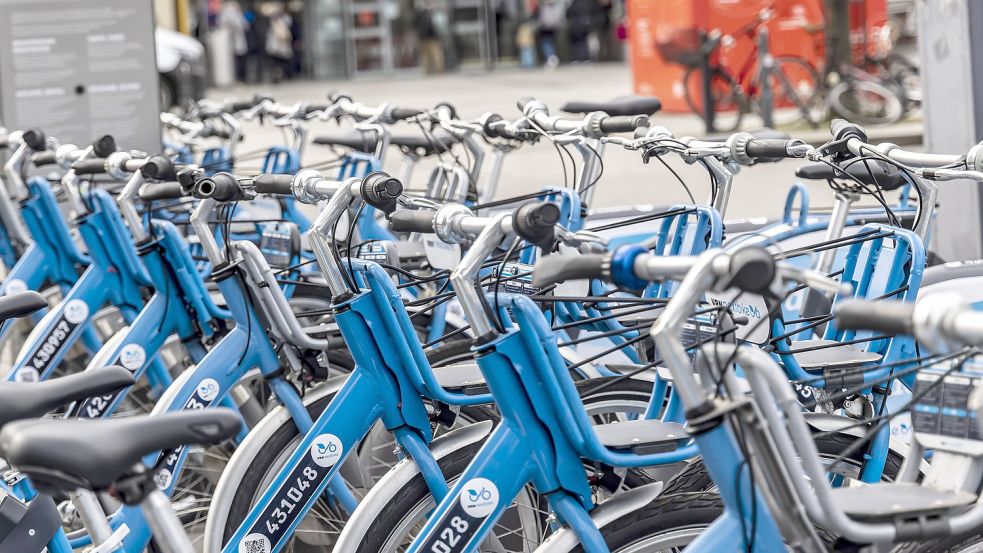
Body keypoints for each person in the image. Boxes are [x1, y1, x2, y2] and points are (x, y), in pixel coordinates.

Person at [219, 1, 250, 82]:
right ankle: (236, 79)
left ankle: (242, 79)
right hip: (227, 43)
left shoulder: (239, 15)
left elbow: (246, 26)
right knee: (232, 63)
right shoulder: (224, 14)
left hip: (239, 42)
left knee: (241, 62)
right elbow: (221, 25)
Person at [265, 3, 294, 83]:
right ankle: (277, 76)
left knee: (281, 62)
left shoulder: (285, 19)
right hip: (277, 45)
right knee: (276, 63)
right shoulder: (274, 20)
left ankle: (282, 76)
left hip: (282, 44)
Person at [415, 0, 445, 74]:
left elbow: (439, 24)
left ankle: (438, 70)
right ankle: (427, 71)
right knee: (425, 56)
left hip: (434, 37)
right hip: (424, 37)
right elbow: (417, 24)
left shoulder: (435, 12)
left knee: (436, 54)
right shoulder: (421, 13)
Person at [536, 0, 565, 69]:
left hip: (546, 27)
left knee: (546, 42)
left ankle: (551, 57)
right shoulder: (555, 5)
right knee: (550, 41)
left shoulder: (545, 6)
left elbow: (542, 18)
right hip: (553, 26)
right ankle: (551, 57)